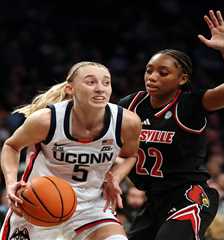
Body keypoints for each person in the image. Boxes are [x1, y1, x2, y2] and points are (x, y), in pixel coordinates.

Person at [105, 10, 224, 240]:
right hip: (153, 198)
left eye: (162, 72)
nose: (152, 77)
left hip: (191, 196)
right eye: (149, 70)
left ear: (183, 79)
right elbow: (113, 146)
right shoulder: (130, 104)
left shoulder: (191, 104)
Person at [0, 61, 142, 240]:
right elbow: (11, 146)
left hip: (91, 206)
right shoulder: (47, 120)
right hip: (38, 203)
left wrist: (115, 177)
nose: (100, 89)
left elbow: (131, 155)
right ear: (70, 89)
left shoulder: (127, 122)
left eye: (106, 82)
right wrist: (11, 183)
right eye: (91, 82)